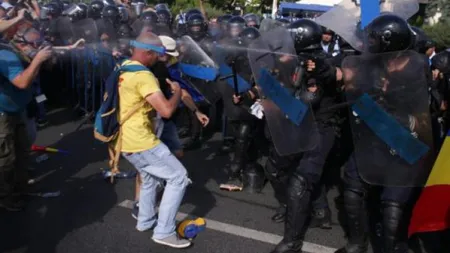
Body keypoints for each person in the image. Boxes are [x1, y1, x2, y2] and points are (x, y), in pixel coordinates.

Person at [119, 31, 191, 248]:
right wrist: (177, 92)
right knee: (178, 177)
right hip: (141, 140)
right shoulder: (144, 76)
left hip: (125, 139)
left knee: (149, 178)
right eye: (157, 54)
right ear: (147, 52)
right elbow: (167, 111)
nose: (159, 59)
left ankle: (145, 220)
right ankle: (164, 231)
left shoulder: (123, 66)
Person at [131, 35, 210, 219]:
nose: (170, 58)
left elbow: (182, 93)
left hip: (164, 122)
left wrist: (196, 112)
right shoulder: (142, 72)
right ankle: (138, 202)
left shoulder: (166, 69)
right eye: (167, 54)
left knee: (177, 153)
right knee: (145, 168)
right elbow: (168, 104)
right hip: (148, 122)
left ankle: (163, 183)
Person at [0, 26, 52, 211]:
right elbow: (22, 82)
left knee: (22, 151)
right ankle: (6, 199)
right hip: (3, 114)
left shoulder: (11, 50)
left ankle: (20, 189)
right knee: (5, 159)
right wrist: (37, 60)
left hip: (16, 109)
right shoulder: (5, 56)